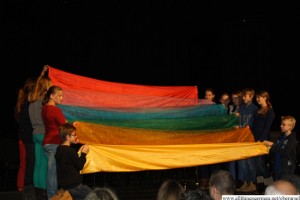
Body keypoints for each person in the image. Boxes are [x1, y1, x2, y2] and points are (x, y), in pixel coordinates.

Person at [28, 65, 52, 198]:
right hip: (43, 132)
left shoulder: (33, 97)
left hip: (35, 133)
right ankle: (42, 189)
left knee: (37, 163)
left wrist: (42, 73)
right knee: (43, 163)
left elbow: (38, 84)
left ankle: (37, 187)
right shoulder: (44, 99)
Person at [42, 85, 67, 199]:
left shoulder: (44, 108)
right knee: (53, 174)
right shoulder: (55, 110)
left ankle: (52, 195)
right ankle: (52, 197)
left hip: (47, 143)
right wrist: (71, 125)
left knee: (53, 172)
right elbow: (64, 127)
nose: (61, 98)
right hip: (54, 143)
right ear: (52, 96)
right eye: (59, 96)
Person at [56, 123, 91, 200]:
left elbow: (70, 160)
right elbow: (80, 165)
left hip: (65, 186)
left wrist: (75, 143)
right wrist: (83, 153)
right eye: (74, 135)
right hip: (74, 186)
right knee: (91, 195)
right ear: (68, 137)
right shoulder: (70, 151)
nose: (76, 137)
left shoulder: (59, 149)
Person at [14, 77, 36, 198]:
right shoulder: (26, 105)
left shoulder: (20, 104)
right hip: (27, 137)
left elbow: (18, 121)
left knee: (24, 162)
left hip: (22, 137)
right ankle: (24, 186)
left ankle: (21, 186)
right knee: (29, 162)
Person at [251, 90, 275, 191]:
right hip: (254, 140)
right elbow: (254, 126)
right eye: (256, 98)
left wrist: (260, 140)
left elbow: (267, 128)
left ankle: (269, 184)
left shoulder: (270, 111)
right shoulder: (257, 111)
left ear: (265, 98)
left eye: (259, 97)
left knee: (260, 163)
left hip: (263, 141)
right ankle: (260, 187)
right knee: (256, 165)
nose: (257, 99)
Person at [235, 88, 258, 193]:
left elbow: (253, 125)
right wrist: (236, 124)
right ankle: (245, 183)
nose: (243, 98)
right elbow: (239, 122)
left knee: (250, 162)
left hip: (249, 139)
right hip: (241, 139)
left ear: (251, 96)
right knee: (242, 162)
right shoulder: (241, 108)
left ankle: (252, 183)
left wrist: (248, 128)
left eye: (246, 96)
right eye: (243, 96)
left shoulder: (254, 109)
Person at [263, 115, 297, 181]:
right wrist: (267, 147)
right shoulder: (281, 137)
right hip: (277, 166)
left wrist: (272, 144)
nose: (281, 126)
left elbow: (284, 152)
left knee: (284, 188)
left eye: (284, 125)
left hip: (287, 169)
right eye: (281, 124)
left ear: (290, 126)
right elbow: (276, 150)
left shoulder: (292, 139)